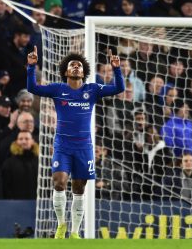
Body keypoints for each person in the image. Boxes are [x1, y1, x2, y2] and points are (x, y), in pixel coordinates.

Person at [27, 46, 124, 239]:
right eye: (72, 65)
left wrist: (116, 69)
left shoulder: (93, 89)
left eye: (79, 65)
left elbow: (119, 88)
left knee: (79, 188)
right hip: (63, 146)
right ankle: (61, 224)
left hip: (84, 147)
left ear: (84, 71)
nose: (76, 67)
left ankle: (75, 231)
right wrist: (31, 67)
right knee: (59, 182)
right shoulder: (58, 89)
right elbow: (33, 88)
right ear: (65, 71)